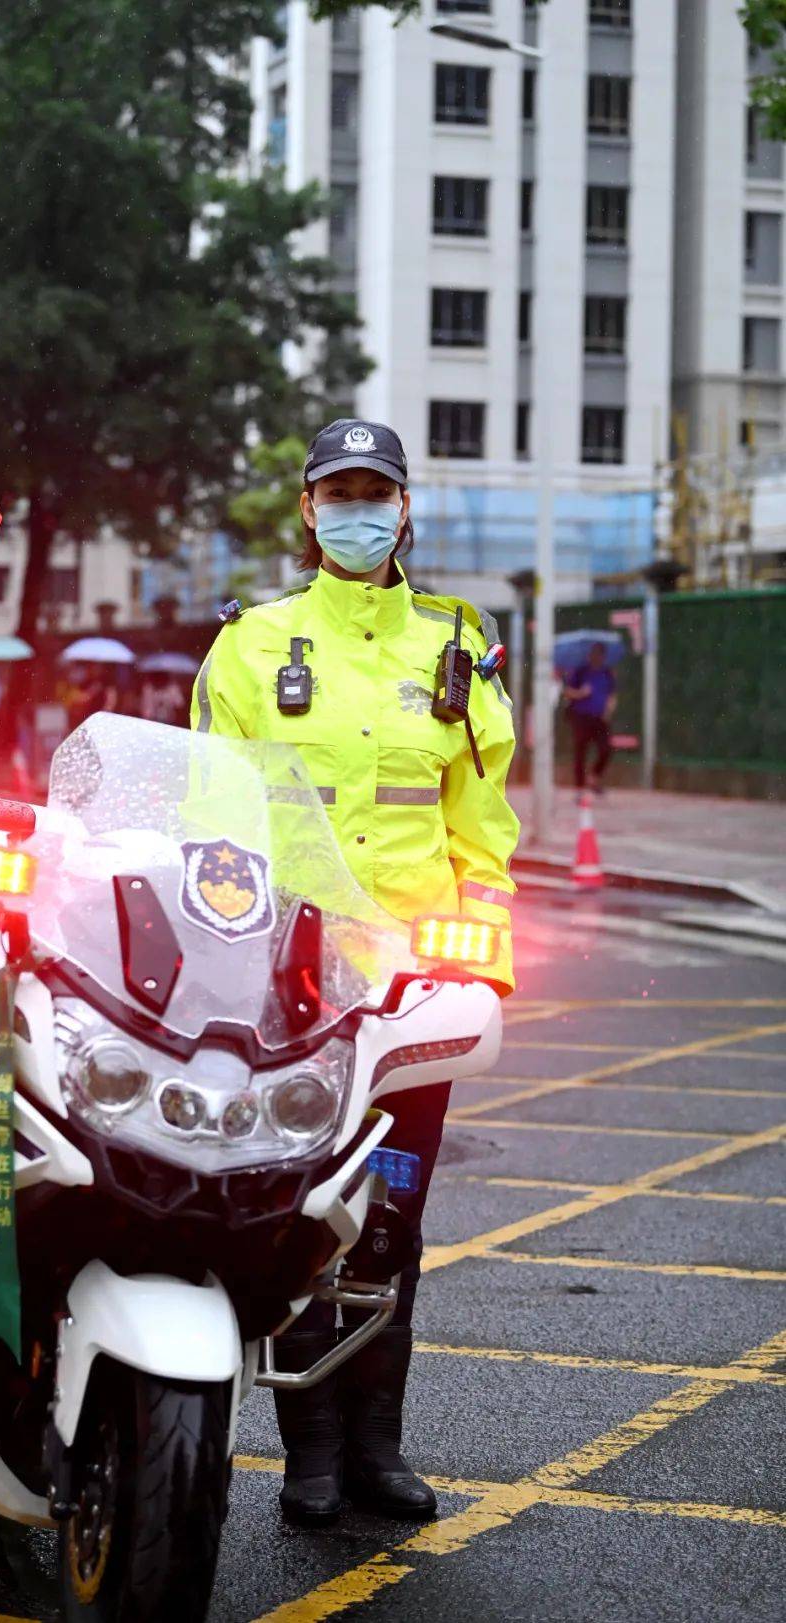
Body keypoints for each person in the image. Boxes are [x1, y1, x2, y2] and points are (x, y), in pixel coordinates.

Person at [190, 418, 519, 1526]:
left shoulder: (455, 647)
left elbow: (485, 828)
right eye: (339, 493)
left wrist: (487, 965)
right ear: (307, 510)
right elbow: (210, 825)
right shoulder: (249, 647)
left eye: (376, 492)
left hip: (415, 992)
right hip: (288, 987)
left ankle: (379, 1450)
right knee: (301, 1210)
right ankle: (311, 1457)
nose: (357, 511)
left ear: (406, 509)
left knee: (392, 1220)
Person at [563, 641, 616, 793]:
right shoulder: (580, 672)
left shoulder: (607, 673)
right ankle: (579, 786)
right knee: (581, 751)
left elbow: (612, 694)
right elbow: (567, 692)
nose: (596, 657)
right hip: (581, 717)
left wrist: (609, 709)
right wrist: (581, 693)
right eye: (594, 654)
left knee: (606, 749)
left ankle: (594, 777)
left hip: (599, 718)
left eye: (600, 654)